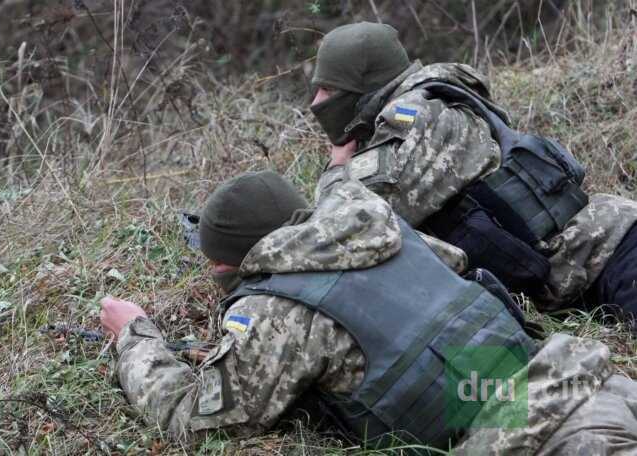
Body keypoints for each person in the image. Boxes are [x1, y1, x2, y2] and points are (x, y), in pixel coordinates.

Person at [101, 170, 637, 453]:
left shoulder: (276, 308)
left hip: (536, 439)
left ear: (235, 261)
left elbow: (196, 417)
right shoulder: (391, 233)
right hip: (589, 385)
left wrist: (134, 335)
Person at [307, 22, 637, 319]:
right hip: (581, 276)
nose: (316, 102)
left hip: (611, 252)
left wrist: (337, 168)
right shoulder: (429, 106)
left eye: (330, 90)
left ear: (366, 85)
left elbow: (344, 223)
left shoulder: (416, 117)